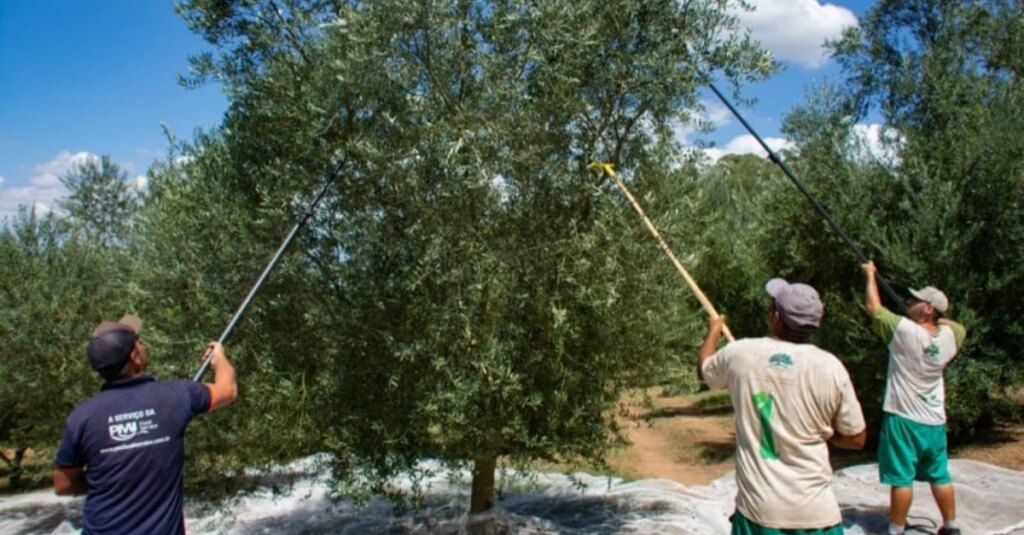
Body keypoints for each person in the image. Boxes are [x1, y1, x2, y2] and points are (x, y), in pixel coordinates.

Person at [698, 278, 867, 535]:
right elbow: (856, 438)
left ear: (776, 317)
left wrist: (713, 332)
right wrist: (820, 435)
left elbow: (704, 370)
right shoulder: (831, 367)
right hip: (818, 514)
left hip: (761, 514)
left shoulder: (741, 354)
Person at [53, 314, 238, 534]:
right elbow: (228, 390)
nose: (143, 346)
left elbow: (63, 484)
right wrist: (220, 358)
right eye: (139, 343)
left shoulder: (81, 417)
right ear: (134, 357)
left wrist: (107, 481)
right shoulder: (176, 397)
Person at [862, 261, 966, 535]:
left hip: (903, 419)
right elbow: (957, 326)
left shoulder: (905, 332)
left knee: (901, 478)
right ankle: (951, 527)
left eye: (916, 300)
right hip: (934, 421)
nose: (909, 301)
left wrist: (870, 275)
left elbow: (874, 309)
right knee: (940, 474)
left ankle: (895, 530)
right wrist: (931, 318)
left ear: (929, 308)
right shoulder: (949, 338)